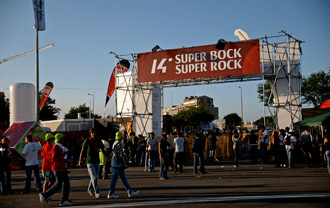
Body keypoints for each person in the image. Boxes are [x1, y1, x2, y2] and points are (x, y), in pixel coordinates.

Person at [39, 133, 73, 206]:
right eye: (62, 138)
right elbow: (54, 158)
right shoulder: (56, 147)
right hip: (58, 168)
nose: (63, 139)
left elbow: (57, 158)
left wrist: (67, 160)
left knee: (64, 184)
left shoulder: (57, 146)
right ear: (60, 139)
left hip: (60, 168)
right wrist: (63, 155)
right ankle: (45, 194)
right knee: (59, 184)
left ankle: (63, 200)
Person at [107, 131, 139, 199]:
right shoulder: (119, 144)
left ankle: (111, 192)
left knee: (114, 178)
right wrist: (124, 163)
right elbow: (121, 155)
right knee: (123, 178)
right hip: (118, 163)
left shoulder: (114, 143)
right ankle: (130, 191)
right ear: (121, 136)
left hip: (114, 162)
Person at [79, 128, 108, 198]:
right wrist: (80, 160)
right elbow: (82, 151)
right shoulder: (87, 141)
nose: (94, 134)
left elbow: (103, 150)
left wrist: (108, 156)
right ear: (90, 133)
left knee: (94, 177)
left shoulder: (98, 141)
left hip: (97, 161)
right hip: (89, 161)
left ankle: (89, 189)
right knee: (94, 177)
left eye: (95, 133)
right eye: (92, 133)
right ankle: (97, 192)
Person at [41, 133, 55, 198]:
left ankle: (46, 193)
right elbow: (50, 157)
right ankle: (44, 195)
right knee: (47, 181)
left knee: (51, 180)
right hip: (47, 167)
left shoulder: (44, 145)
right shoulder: (49, 147)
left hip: (47, 166)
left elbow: (42, 155)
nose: (54, 140)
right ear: (50, 139)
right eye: (53, 139)